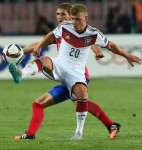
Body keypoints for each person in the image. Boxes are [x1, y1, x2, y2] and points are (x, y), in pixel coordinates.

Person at [8, 3, 136, 141]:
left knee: (80, 99)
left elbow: (92, 41)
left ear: (71, 16)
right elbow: (44, 39)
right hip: (61, 67)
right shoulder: (62, 29)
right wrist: (20, 52)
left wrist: (99, 52)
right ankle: (30, 131)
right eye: (58, 14)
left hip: (78, 73)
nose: (60, 17)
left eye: (63, 14)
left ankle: (92, 130)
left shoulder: (87, 31)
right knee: (45, 89)